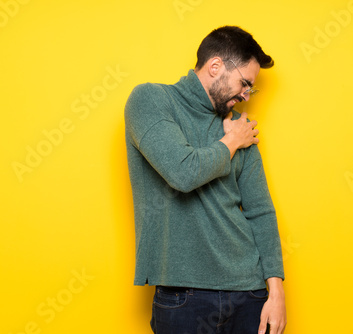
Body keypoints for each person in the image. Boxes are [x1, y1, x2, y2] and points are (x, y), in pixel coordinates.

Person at [124, 25, 286, 334]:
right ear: (215, 66)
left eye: (252, 88)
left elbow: (260, 211)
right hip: (184, 295)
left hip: (250, 292)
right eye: (245, 83)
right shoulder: (151, 100)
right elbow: (182, 173)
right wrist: (231, 143)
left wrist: (276, 293)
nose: (246, 94)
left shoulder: (239, 126)